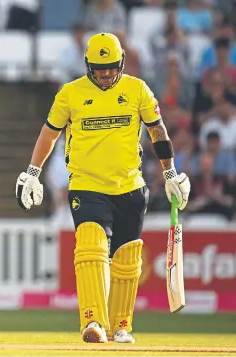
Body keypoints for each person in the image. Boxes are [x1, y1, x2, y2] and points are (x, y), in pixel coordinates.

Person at [15, 33, 191, 344]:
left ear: (121, 63)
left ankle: (121, 325)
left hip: (130, 186)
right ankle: (93, 321)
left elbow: (157, 131)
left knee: (127, 258)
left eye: (112, 68)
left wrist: (171, 172)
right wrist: (33, 172)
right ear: (88, 65)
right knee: (92, 247)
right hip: (86, 184)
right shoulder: (70, 94)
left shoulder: (137, 89)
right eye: (100, 69)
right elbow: (49, 134)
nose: (107, 75)